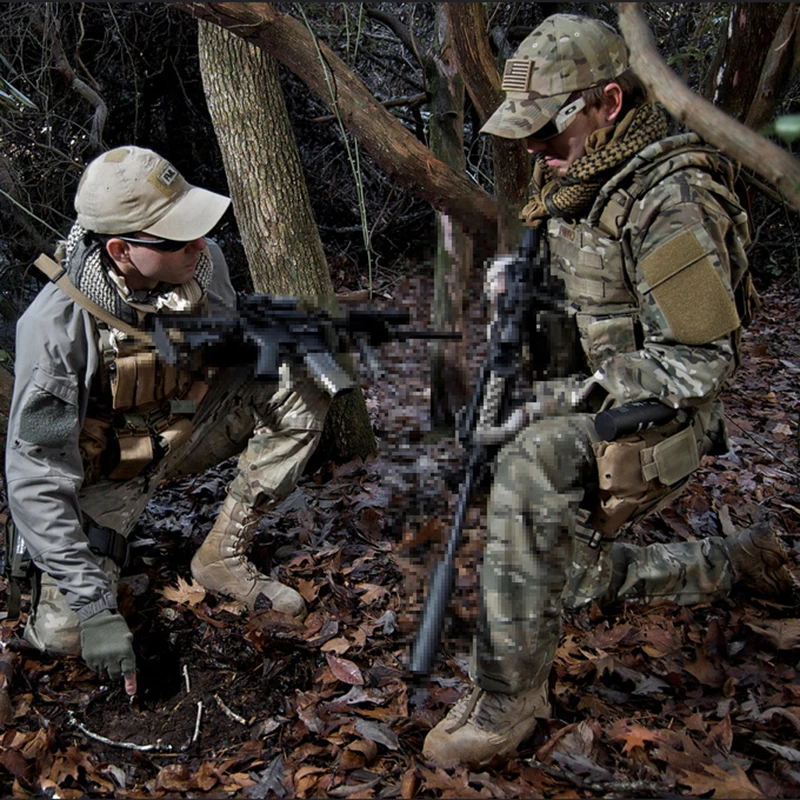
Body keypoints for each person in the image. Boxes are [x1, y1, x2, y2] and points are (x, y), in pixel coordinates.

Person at [422, 13, 797, 767]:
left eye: (546, 135)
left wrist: (551, 406)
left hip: (664, 415)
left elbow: (697, 364)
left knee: (528, 473)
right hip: (597, 389)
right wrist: (519, 297)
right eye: (524, 138)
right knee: (552, 564)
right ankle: (735, 563)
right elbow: (586, 297)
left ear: (609, 104)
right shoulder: (575, 170)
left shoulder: (675, 194)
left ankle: (509, 698)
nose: (535, 153)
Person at [5, 146, 336, 696]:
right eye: (177, 237)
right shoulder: (54, 330)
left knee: (303, 373)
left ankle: (220, 558)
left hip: (177, 432)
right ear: (120, 250)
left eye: (196, 228)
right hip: (102, 479)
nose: (199, 245)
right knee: (67, 635)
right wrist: (94, 609)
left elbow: (227, 342)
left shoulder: (203, 266)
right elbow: (36, 478)